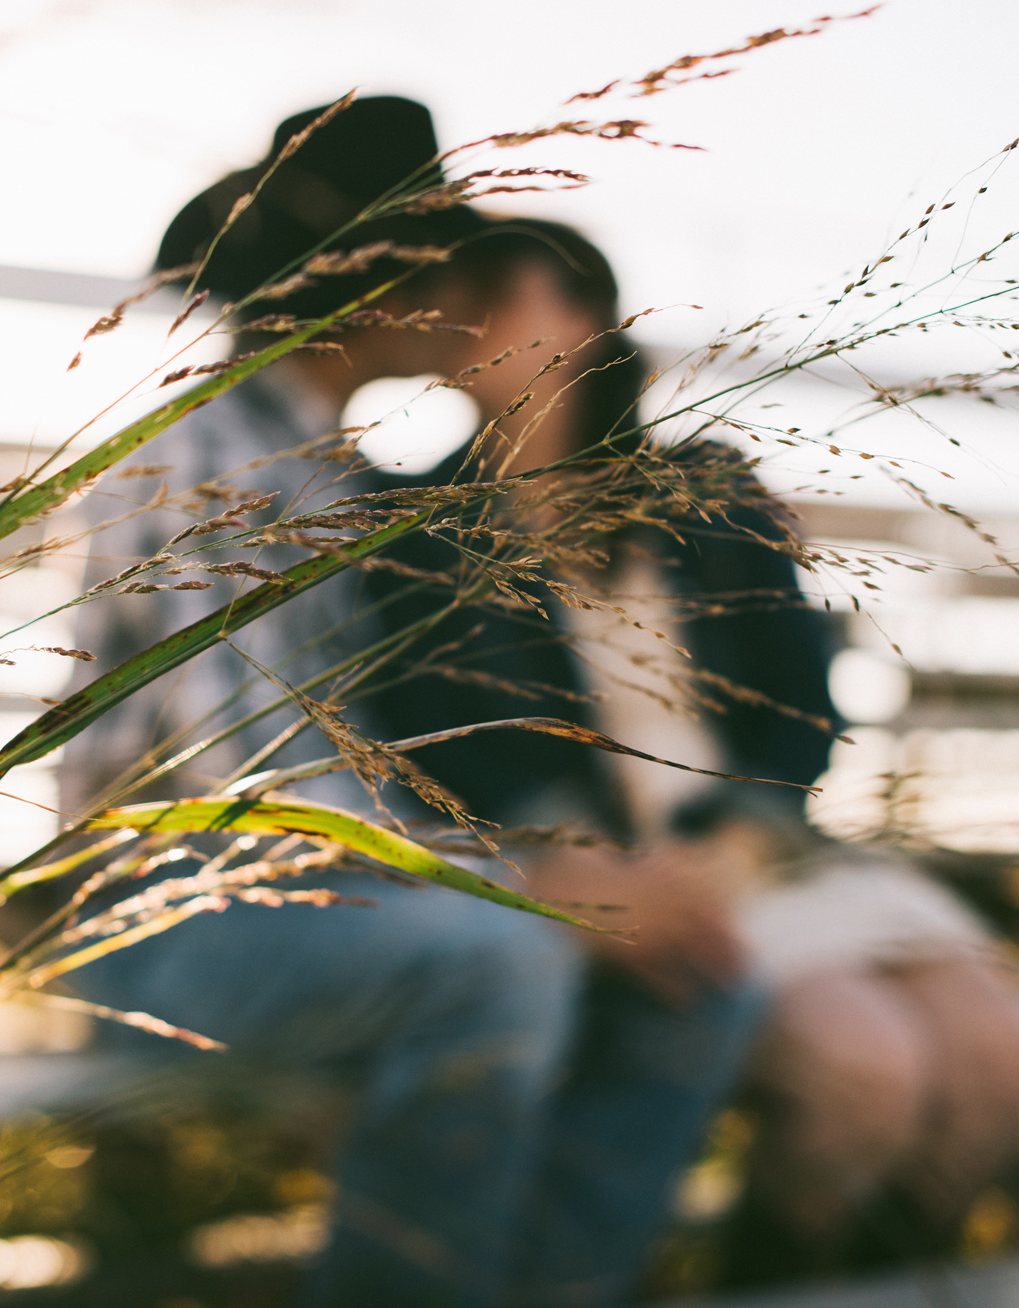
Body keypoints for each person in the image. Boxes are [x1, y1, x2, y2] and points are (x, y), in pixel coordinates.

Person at [60, 97, 768, 1307]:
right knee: (501, 962)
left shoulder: (335, 476)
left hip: (324, 901)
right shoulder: (197, 457)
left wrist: (546, 870)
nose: (458, 296)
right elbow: (243, 785)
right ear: (379, 288)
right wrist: (524, 879)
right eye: (442, 266)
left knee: (698, 982)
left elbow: (369, 768)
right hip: (173, 915)